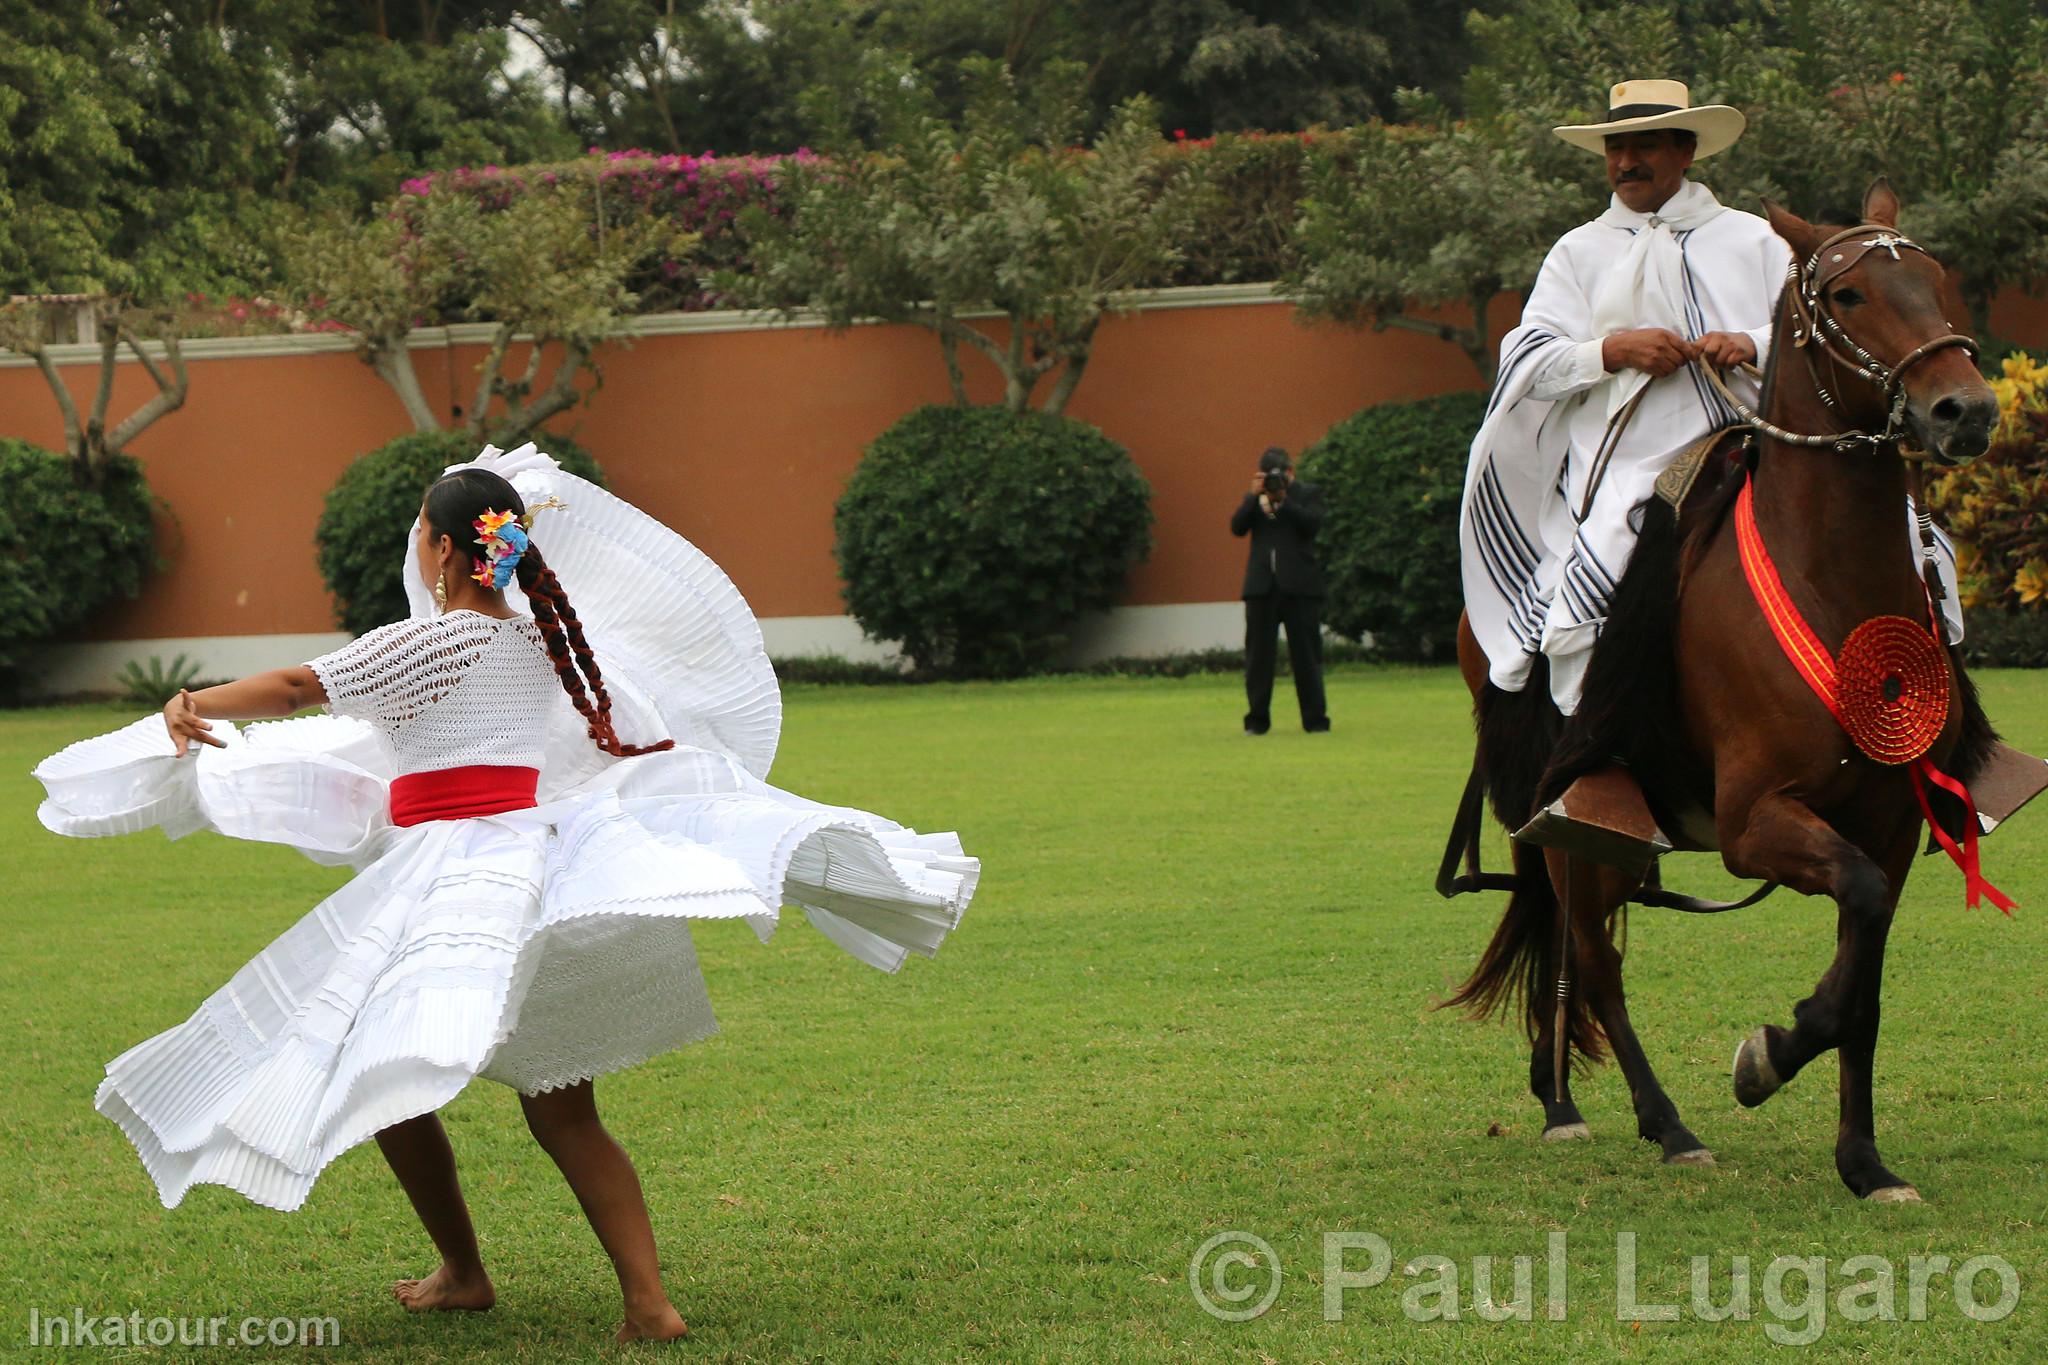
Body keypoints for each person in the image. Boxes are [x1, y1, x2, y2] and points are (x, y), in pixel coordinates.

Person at [32, 443, 980, 1345]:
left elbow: (290, 686)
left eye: (418, 530)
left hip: (454, 878)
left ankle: (465, 1268)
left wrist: (192, 704)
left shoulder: (425, 646)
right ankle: (644, 1302)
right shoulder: (546, 646)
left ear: (444, 548)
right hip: (536, 870)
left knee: (384, 1076)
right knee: (561, 1108)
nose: (414, 542)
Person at [1457, 77, 1962, 716]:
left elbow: (1820, 333)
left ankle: (1949, 734)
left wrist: (1750, 341)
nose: (1624, 162)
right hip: (1629, 457)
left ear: (1686, 150)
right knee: (1606, 563)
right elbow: (1526, 358)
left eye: (1644, 145)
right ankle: (1595, 754)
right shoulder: (1577, 252)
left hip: (1757, 438)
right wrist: (1611, 351)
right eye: (1615, 147)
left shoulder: (1754, 239)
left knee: (1915, 544)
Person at [1230, 446, 1329, 734]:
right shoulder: (1254, 500)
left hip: (1300, 588)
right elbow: (1236, 527)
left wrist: (1284, 501)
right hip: (1262, 588)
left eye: (1280, 474)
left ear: (1290, 472)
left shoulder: (1307, 494)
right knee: (1258, 658)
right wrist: (1253, 497)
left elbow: (1313, 525)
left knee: (1307, 657)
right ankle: (1257, 720)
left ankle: (1315, 720)